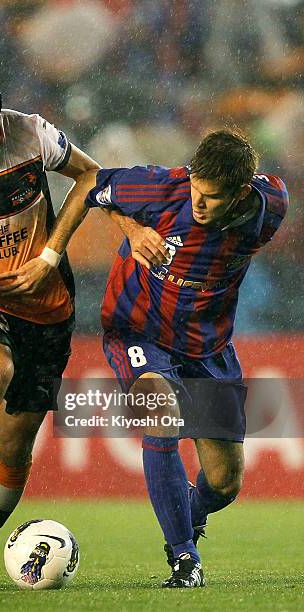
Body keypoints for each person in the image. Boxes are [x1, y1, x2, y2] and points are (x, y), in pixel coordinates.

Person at [0, 65, 168, 589]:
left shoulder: (29, 131)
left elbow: (93, 177)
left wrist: (54, 253)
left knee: (16, 444)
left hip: (49, 304)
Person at [30, 129, 288, 588]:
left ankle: (186, 516)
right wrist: (66, 252)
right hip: (138, 329)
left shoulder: (271, 207)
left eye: (211, 198)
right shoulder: (163, 189)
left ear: (241, 194)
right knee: (161, 414)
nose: (199, 205)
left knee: (225, 483)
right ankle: (184, 557)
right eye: (196, 191)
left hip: (208, 346)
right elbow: (89, 183)